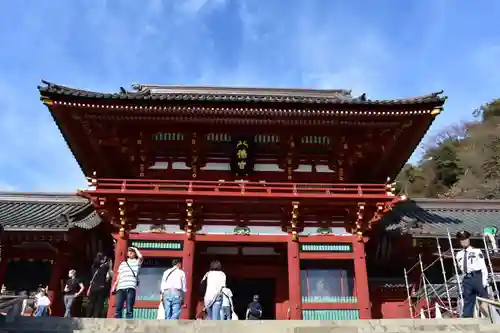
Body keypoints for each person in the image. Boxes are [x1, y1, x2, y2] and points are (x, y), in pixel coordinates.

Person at [455, 230, 490, 318]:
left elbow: (483, 267)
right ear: (459, 241)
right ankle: (467, 319)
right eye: (462, 239)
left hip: (477, 276)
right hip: (467, 278)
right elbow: (460, 267)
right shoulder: (459, 254)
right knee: (468, 300)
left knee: (484, 298)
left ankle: (491, 318)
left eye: (466, 239)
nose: (464, 241)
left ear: (469, 239)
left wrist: (484, 281)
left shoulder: (477, 251)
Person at [111, 246, 143, 319]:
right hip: (120, 287)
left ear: (135, 253)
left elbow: (141, 257)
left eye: (132, 251)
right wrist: (115, 285)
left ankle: (129, 326)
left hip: (130, 287)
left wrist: (135, 249)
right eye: (129, 251)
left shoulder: (137, 262)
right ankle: (118, 325)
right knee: (118, 308)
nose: (130, 252)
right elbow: (119, 275)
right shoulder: (123, 264)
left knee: (129, 309)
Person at [86, 253, 112, 318]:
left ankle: (88, 316)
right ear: (103, 259)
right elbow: (110, 268)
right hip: (101, 287)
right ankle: (96, 316)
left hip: (93, 287)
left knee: (91, 302)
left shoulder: (93, 267)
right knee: (99, 303)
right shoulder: (105, 266)